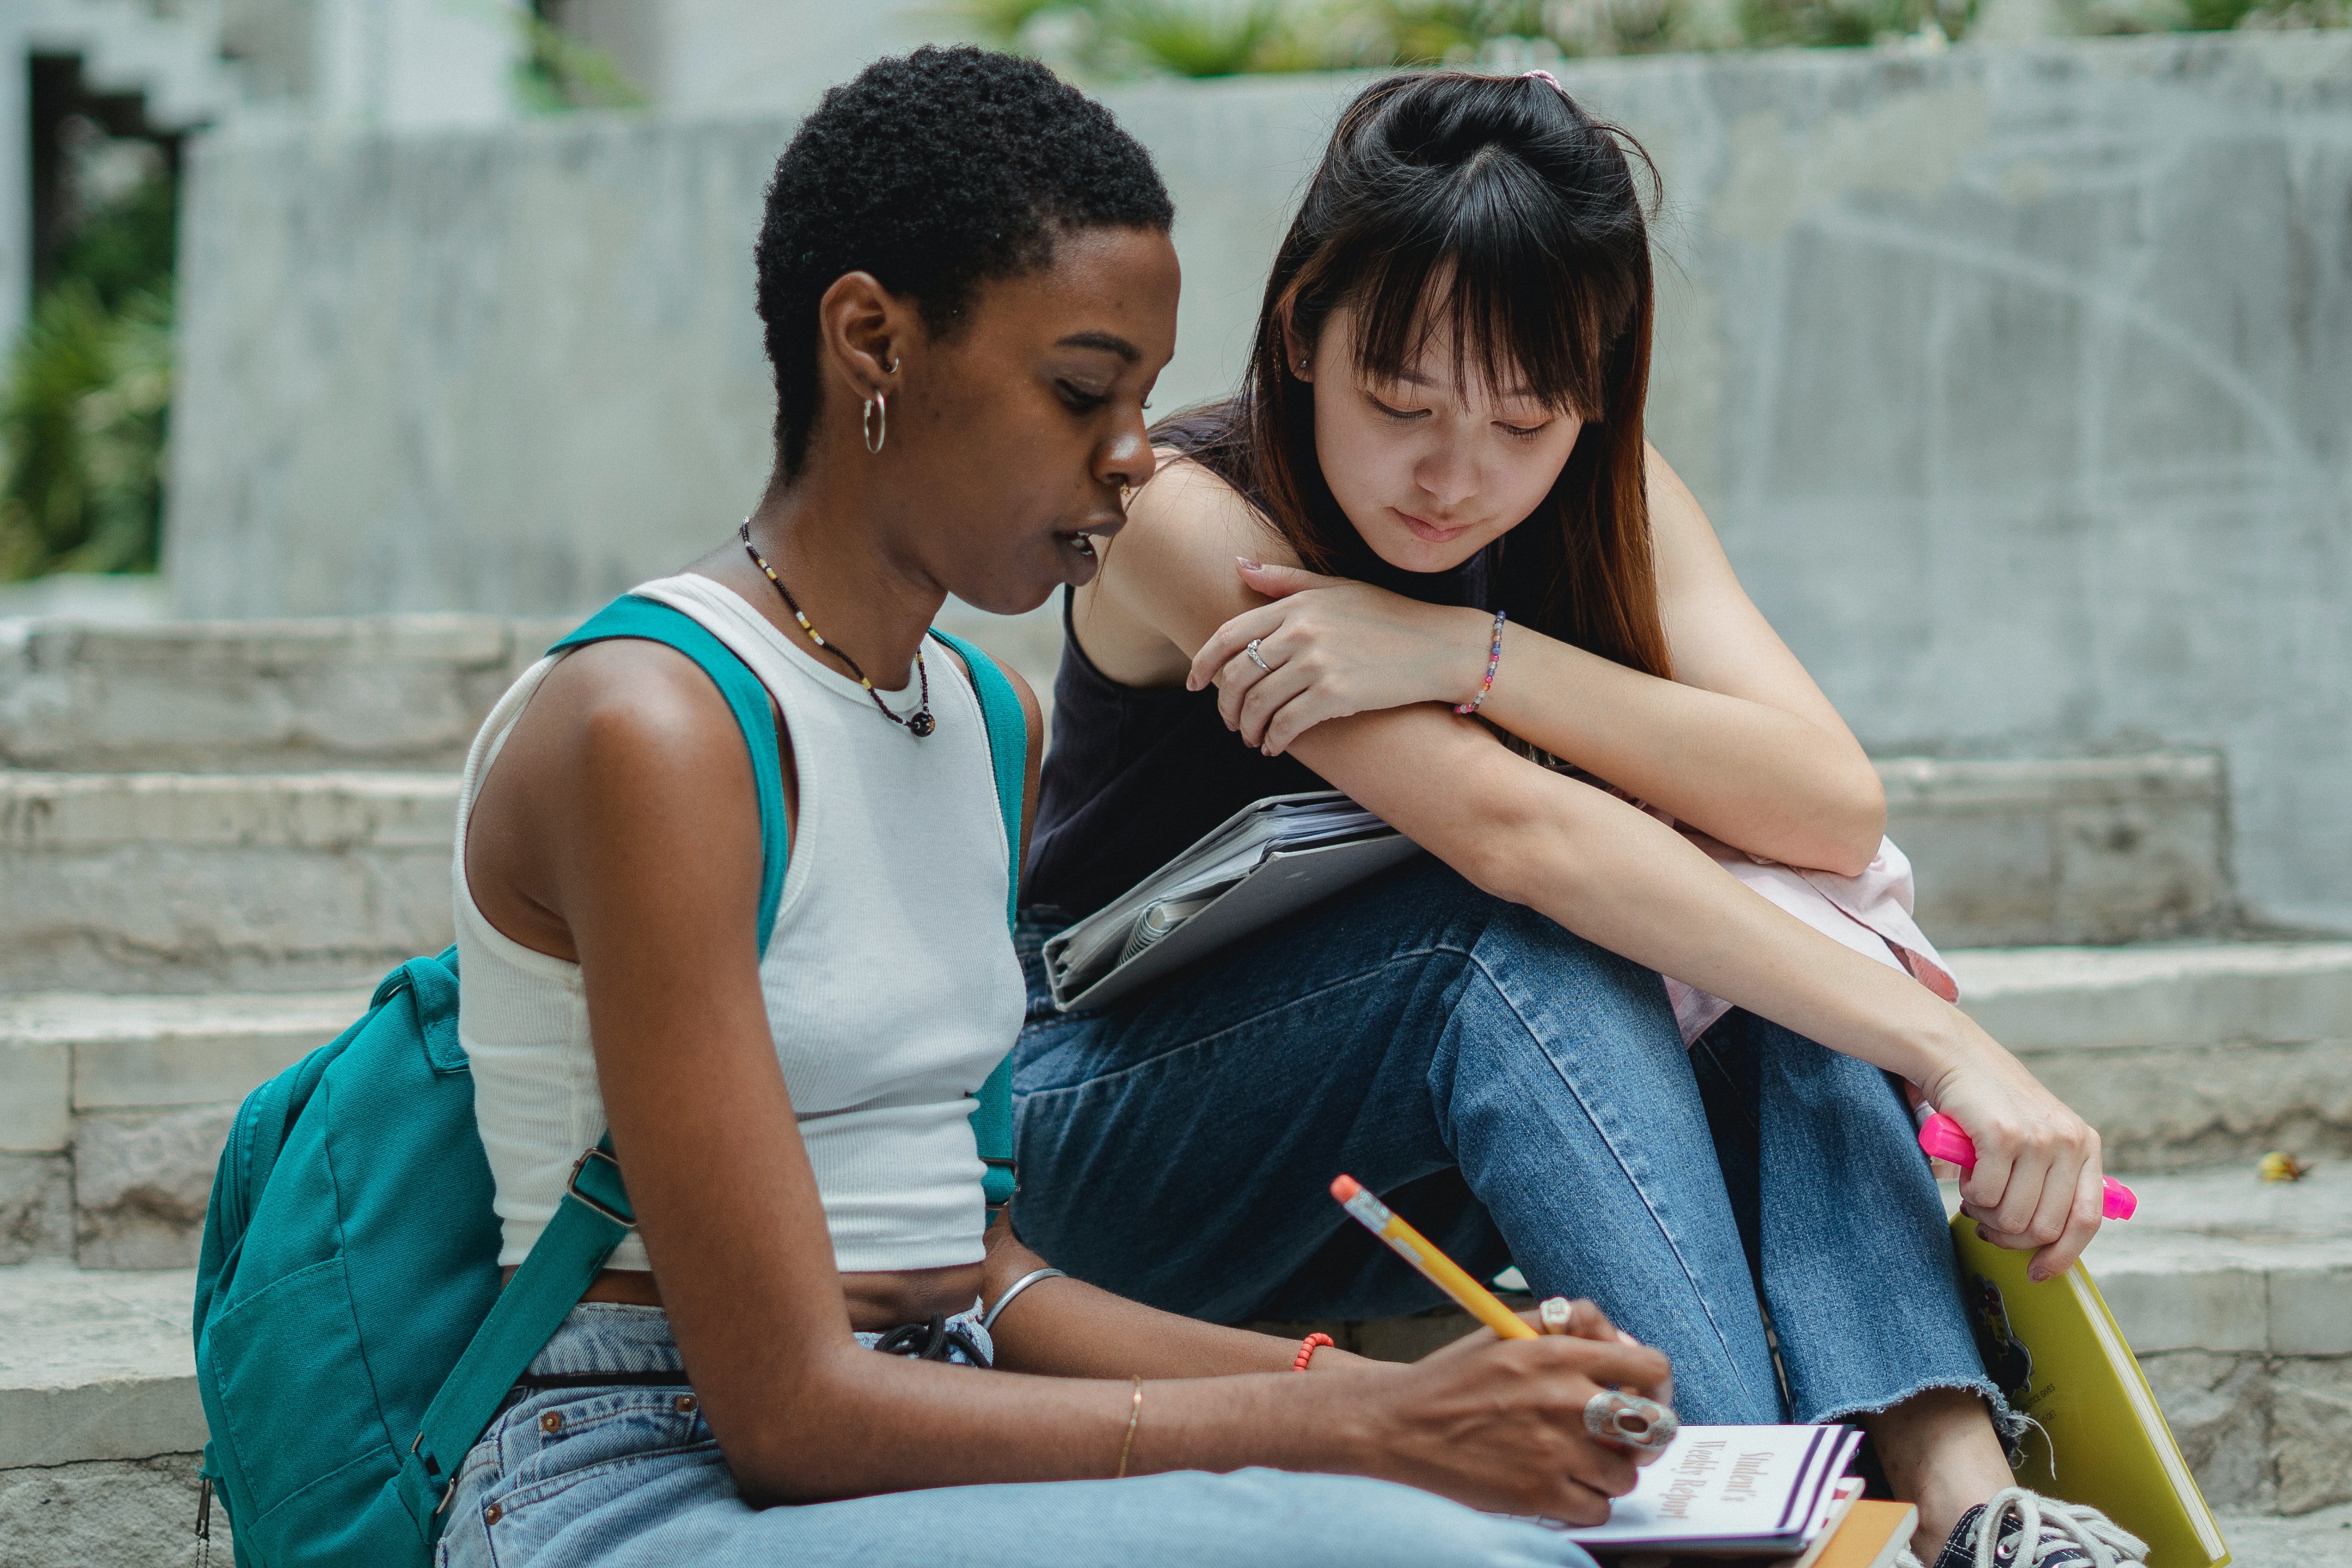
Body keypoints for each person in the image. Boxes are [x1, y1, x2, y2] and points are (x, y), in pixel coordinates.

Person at [438, 47, 1680, 1568]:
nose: (1133, 455)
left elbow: (987, 1276)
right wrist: (1367, 1426)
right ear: (870, 342)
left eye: (1146, 397)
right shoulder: (657, 726)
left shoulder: (978, 713)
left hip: (944, 1416)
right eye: (1082, 390)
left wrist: (1422, 1395)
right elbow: (791, 1413)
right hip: (639, 1473)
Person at [1009, 69, 2147, 1568]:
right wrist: (1947, 1043)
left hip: (1408, 1145)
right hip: (1116, 1132)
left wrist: (1470, 653)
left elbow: (1824, 803)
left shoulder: (1599, 496)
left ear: (1592, 387)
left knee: (1752, 917)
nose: (1453, 474)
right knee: (1527, 933)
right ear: (1301, 334)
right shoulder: (1181, 511)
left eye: (1523, 417)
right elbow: (1516, 838)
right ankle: (1757, 1524)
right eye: (1399, 401)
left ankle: (1964, 1503)